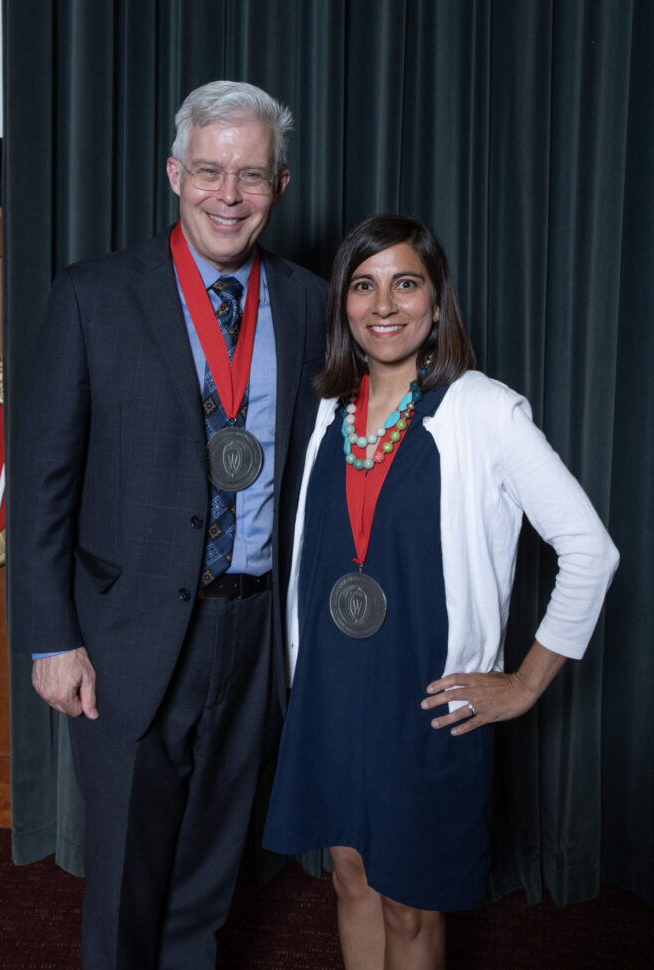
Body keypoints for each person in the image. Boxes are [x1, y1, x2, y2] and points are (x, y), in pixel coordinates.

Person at [10, 81, 326, 970]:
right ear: (174, 173)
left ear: (281, 185)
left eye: (252, 175)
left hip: (254, 630)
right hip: (124, 635)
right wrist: (51, 639)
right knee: (125, 879)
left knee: (210, 878)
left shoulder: (306, 304)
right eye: (211, 171)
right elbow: (41, 485)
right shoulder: (93, 296)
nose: (230, 194)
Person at [261, 213, 619, 970]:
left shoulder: (485, 410)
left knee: (411, 906)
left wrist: (523, 683)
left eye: (405, 283)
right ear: (343, 304)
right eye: (364, 285)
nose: (383, 304)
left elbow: (591, 550)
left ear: (435, 300)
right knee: (350, 880)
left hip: (424, 706)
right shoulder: (327, 409)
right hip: (331, 694)